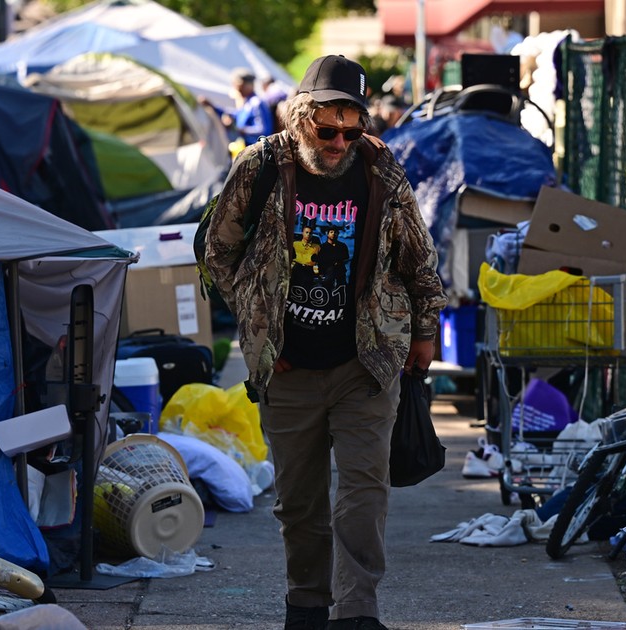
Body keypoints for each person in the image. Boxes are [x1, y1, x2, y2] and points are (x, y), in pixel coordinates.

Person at [203, 55, 447, 630]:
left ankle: (358, 614)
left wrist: (425, 330)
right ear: (301, 116)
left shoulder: (380, 170)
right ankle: (307, 608)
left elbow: (418, 256)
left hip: (367, 361)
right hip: (287, 368)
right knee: (300, 505)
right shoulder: (262, 165)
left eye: (352, 127)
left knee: (364, 495)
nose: (339, 141)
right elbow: (218, 250)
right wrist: (259, 323)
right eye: (327, 127)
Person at [202, 68, 275, 149]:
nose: (237, 89)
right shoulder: (247, 103)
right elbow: (233, 114)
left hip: (258, 152)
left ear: (247, 85)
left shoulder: (257, 103)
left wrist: (240, 129)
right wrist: (212, 106)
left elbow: (262, 130)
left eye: (239, 85)